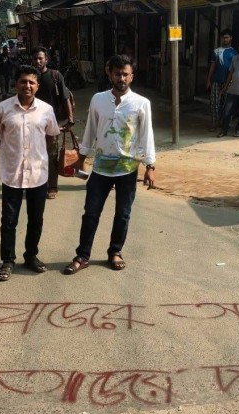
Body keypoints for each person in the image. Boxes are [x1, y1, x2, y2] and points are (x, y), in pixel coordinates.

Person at [63, 55, 156, 275]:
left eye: (125, 74)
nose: (121, 78)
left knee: (123, 213)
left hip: (127, 169)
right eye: (117, 73)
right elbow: (91, 130)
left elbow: (146, 135)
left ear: (132, 76)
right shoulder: (98, 99)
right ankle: (82, 255)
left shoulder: (141, 103)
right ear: (110, 74)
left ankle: (115, 252)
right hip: (101, 168)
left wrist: (150, 166)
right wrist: (81, 156)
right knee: (91, 213)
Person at [0, 65, 60, 281]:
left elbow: (51, 136)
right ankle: (7, 260)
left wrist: (36, 154)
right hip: (12, 173)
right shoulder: (2, 109)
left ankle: (31, 256)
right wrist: (10, 150)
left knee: (35, 219)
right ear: (16, 84)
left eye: (31, 82)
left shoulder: (46, 110)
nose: (27, 86)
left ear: (37, 86)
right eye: (23, 82)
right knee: (9, 220)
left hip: (38, 174)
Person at [31, 47, 74, 200]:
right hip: (33, 124)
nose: (38, 61)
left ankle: (52, 186)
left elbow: (65, 97)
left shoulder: (55, 76)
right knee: (34, 155)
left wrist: (70, 119)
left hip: (52, 123)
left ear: (46, 60)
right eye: (35, 58)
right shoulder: (30, 78)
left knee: (52, 156)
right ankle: (36, 185)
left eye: (40, 58)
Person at [205, 29, 237, 132]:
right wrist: (208, 80)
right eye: (223, 38)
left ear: (231, 38)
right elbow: (212, 66)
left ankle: (224, 123)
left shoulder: (234, 53)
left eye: (227, 37)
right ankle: (214, 123)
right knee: (214, 103)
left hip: (229, 82)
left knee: (226, 104)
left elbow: (234, 69)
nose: (225, 39)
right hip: (216, 81)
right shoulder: (216, 51)